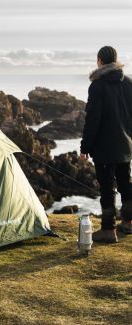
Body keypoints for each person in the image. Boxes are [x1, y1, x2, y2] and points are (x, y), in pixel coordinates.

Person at [80, 45, 132, 243]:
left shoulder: (98, 85)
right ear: (116, 60)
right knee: (126, 183)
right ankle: (128, 222)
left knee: (107, 188)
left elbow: (93, 119)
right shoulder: (128, 82)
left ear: (100, 61)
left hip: (104, 146)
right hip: (126, 144)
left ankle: (108, 231)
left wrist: (85, 147)